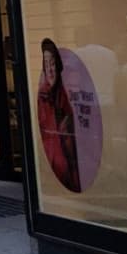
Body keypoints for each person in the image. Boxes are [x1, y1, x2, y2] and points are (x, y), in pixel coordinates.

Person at [38, 39, 81, 192]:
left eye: (53, 63)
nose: (49, 69)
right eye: (46, 63)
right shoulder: (43, 95)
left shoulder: (65, 93)